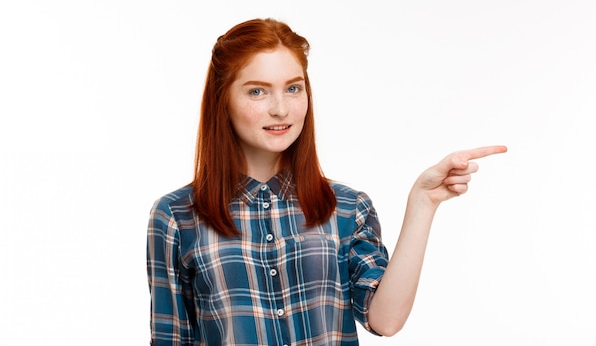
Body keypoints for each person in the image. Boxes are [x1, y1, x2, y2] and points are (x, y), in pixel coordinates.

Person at [146, 18, 507, 346]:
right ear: (222, 100)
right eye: (257, 91)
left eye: (293, 88)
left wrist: (423, 203)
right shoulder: (177, 216)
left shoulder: (347, 207)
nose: (281, 109)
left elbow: (386, 320)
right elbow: (170, 340)